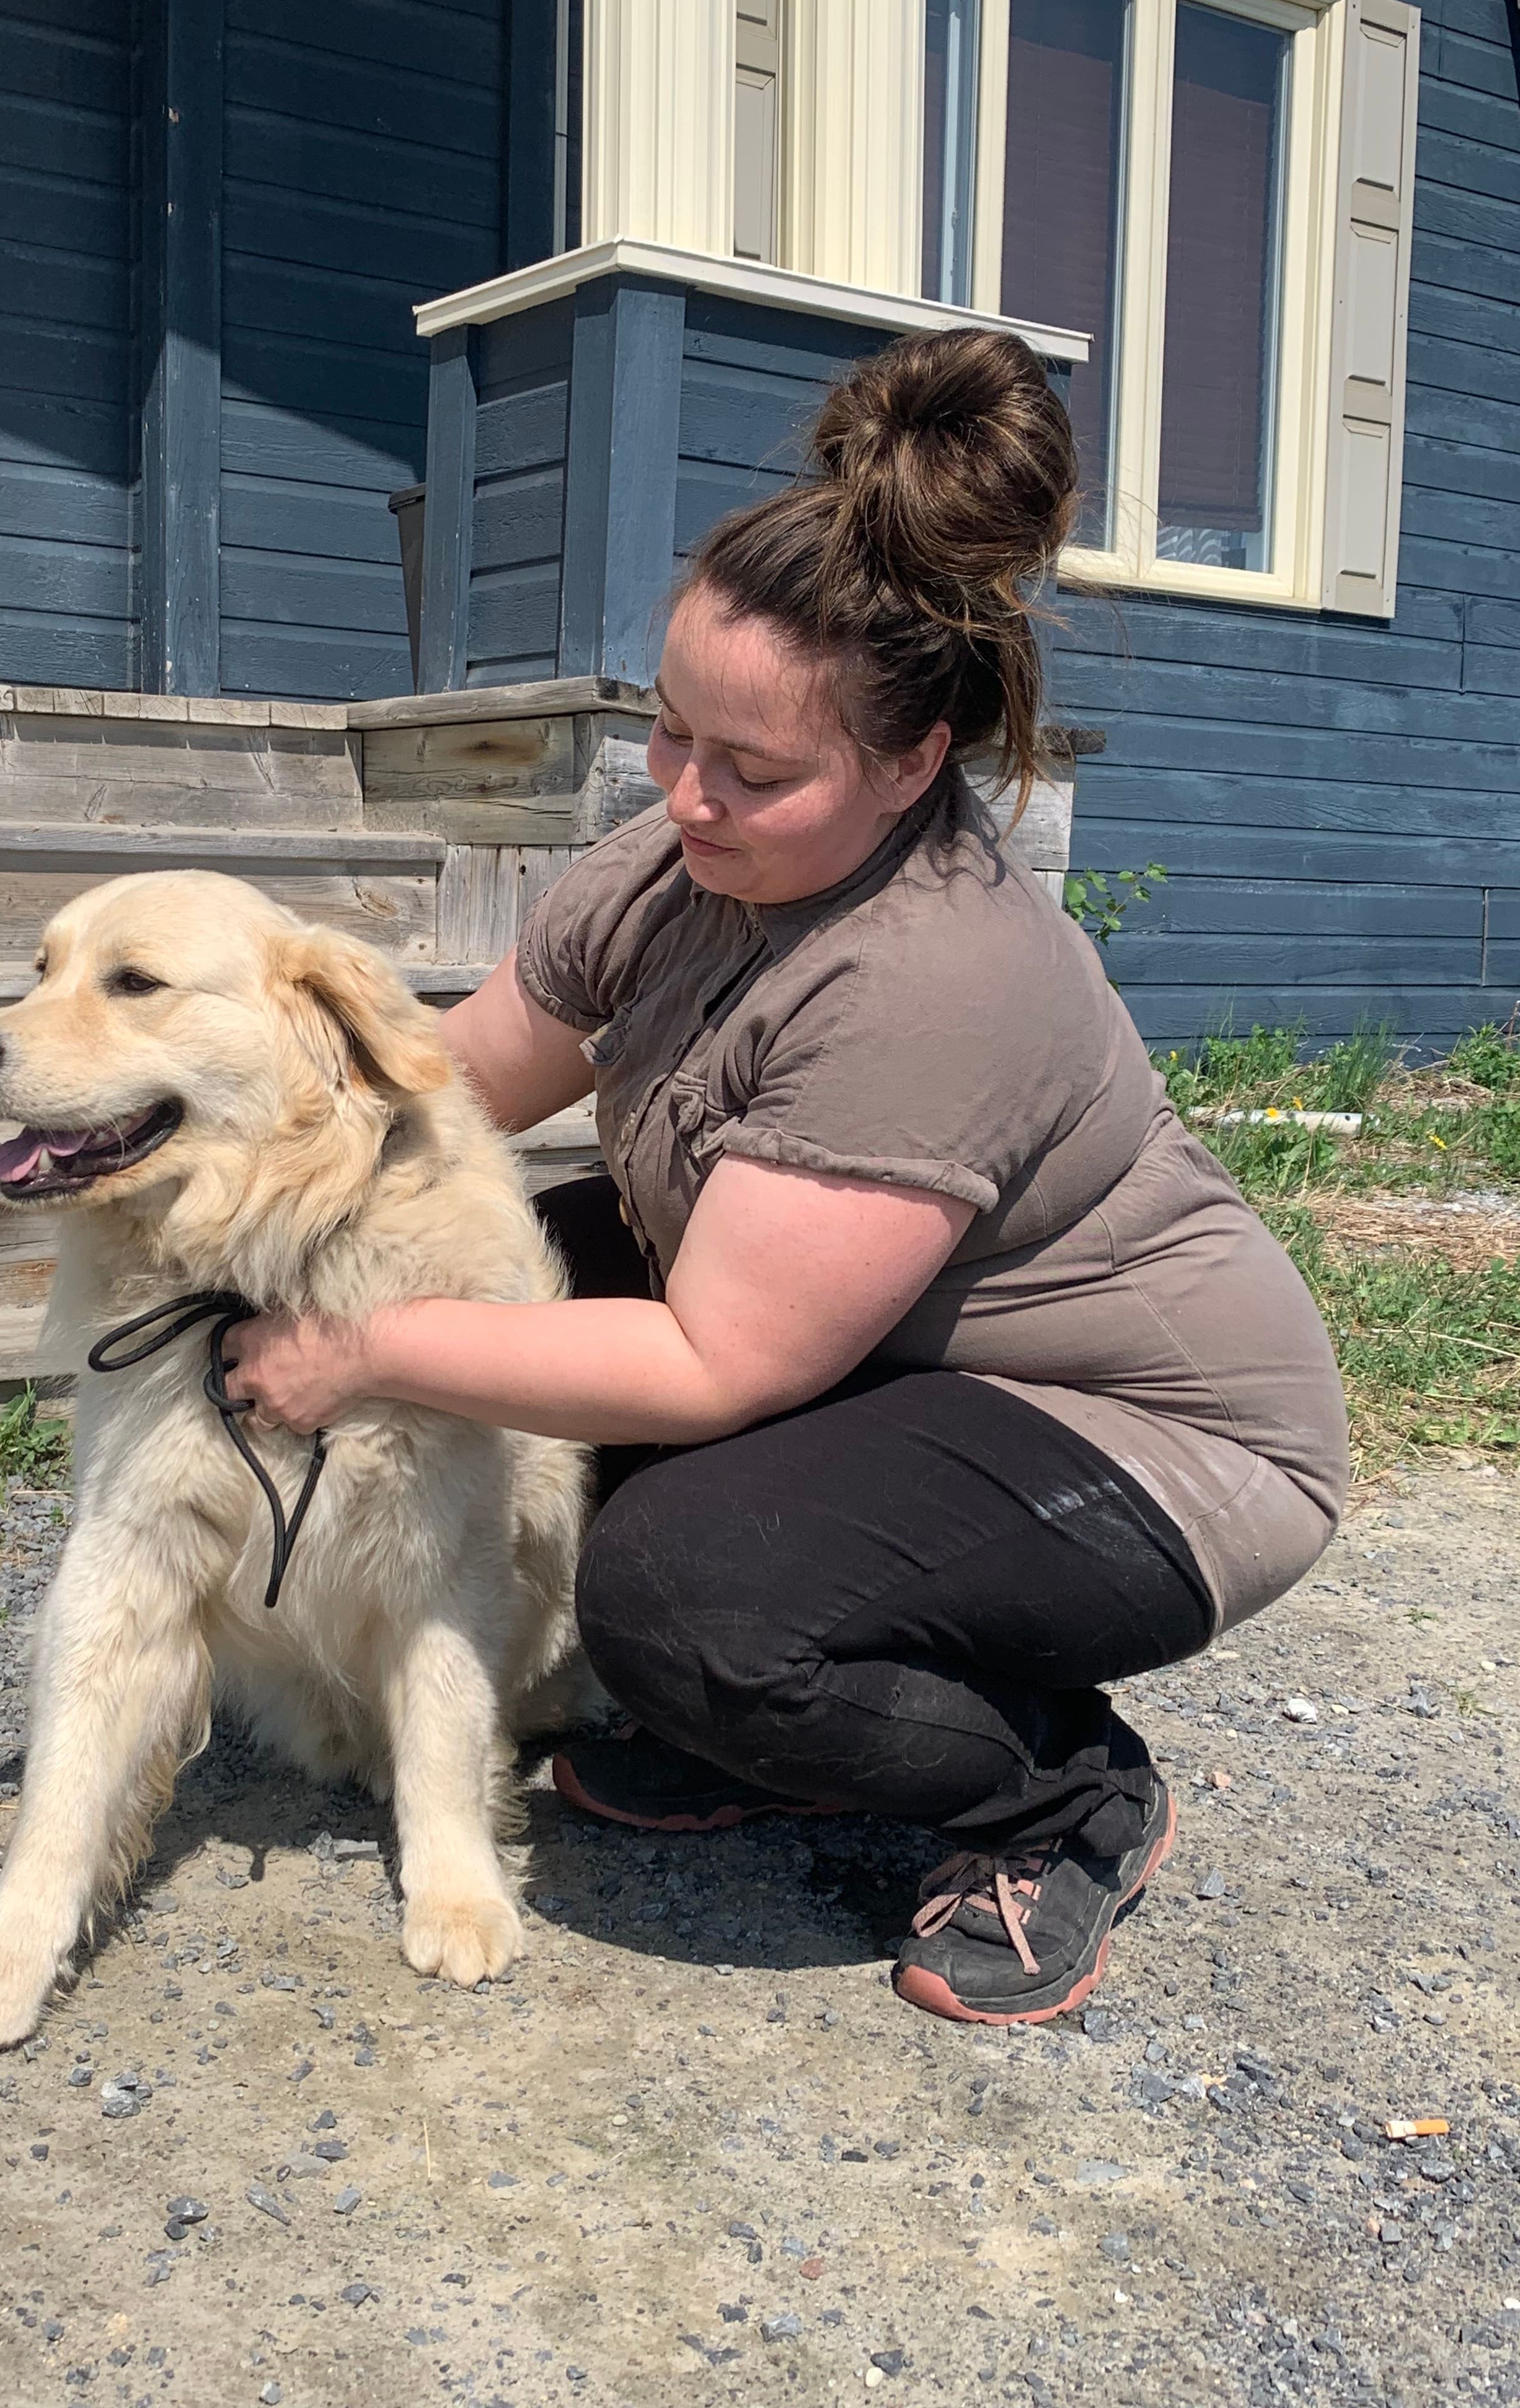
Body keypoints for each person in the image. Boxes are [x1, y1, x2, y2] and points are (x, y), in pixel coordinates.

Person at [222, 326, 1348, 2027]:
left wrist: (357, 1352)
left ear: (915, 762)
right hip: (891, 1351)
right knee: (511, 1256)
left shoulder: (937, 974)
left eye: (752, 772)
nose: (686, 799)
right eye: (673, 737)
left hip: (1142, 1436)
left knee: (691, 1598)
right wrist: (233, 1163)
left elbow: (714, 1365)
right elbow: (445, 1093)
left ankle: (1060, 1794)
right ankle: (779, 1736)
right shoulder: (680, 858)